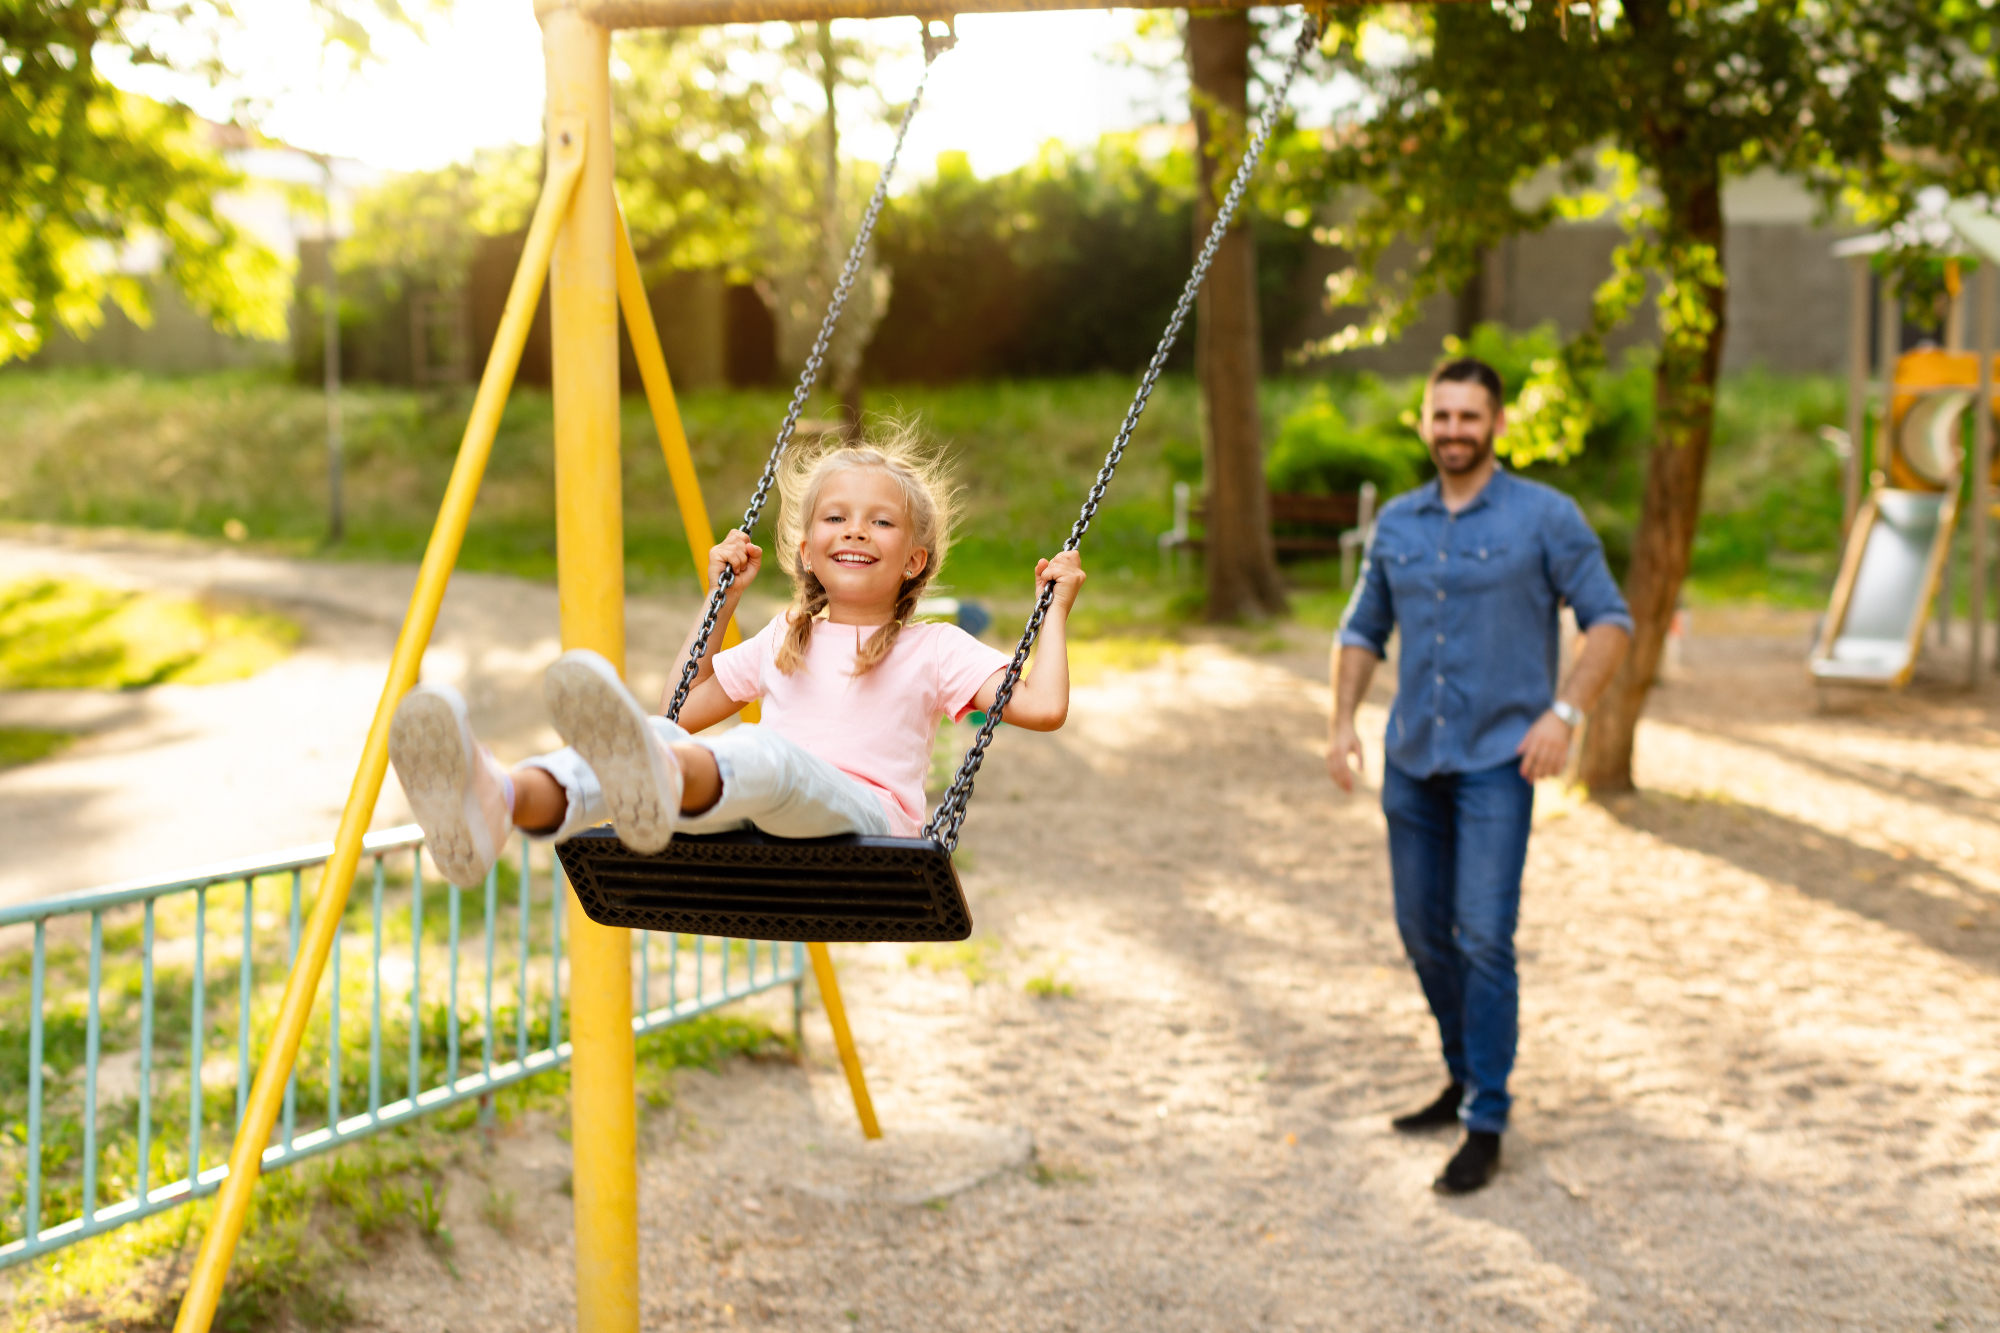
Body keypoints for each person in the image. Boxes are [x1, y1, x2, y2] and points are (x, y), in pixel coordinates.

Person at [388, 430, 1086, 886]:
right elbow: (679, 710)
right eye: (834, 517)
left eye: (881, 520)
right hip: (761, 814)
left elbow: (1043, 706)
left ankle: (658, 785)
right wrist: (720, 601)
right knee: (659, 736)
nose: (855, 530)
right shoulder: (788, 632)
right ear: (807, 548)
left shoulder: (934, 647)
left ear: (915, 559)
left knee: (762, 753)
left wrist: (1053, 612)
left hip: (869, 833)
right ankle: (503, 799)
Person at [1327, 357, 1631, 1195]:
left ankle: (1486, 1117)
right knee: (1423, 933)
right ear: (1423, 423)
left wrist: (1564, 713)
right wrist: (1342, 722)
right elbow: (1361, 630)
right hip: (1412, 762)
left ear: (1496, 423)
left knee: (1484, 936)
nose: (1454, 429)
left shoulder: (1546, 516)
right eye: (1441, 415)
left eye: (1470, 416)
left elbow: (1609, 619)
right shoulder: (1397, 522)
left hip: (1501, 761)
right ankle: (1463, 1072)